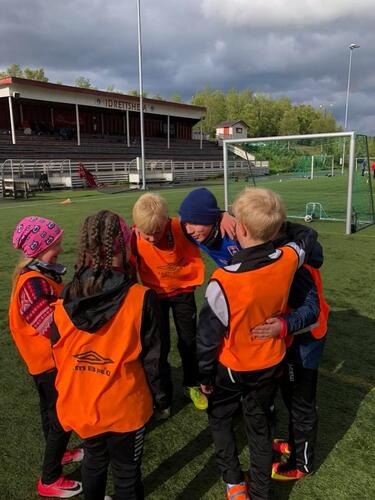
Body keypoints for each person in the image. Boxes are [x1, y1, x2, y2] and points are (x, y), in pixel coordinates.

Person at [196, 188, 307, 500]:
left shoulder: (223, 279)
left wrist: (204, 376)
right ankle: (260, 491)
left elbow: (207, 337)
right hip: (270, 362)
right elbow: (304, 241)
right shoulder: (288, 259)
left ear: (239, 229)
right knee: (260, 428)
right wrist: (279, 224)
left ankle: (234, 484)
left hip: (232, 368)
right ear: (276, 229)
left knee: (220, 421)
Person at [51, 210, 169, 500]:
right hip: (124, 406)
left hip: (82, 402)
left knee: (94, 461)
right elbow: (154, 359)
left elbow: (58, 349)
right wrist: (161, 398)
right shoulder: (140, 297)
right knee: (127, 474)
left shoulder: (66, 295)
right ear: (125, 245)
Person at [9, 216, 83, 498]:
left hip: (43, 363)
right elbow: (50, 326)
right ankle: (49, 478)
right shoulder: (33, 283)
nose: (60, 250)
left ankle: (60, 455)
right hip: (49, 363)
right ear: (38, 249)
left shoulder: (38, 276)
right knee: (61, 418)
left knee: (49, 413)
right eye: (55, 245)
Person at [252, 229, 329, 481]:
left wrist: (283, 325)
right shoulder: (283, 249)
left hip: (307, 339)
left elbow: (312, 310)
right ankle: (294, 444)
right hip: (293, 336)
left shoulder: (293, 264)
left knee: (301, 402)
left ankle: (302, 463)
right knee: (289, 393)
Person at [132, 193, 207, 413]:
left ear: (166, 221)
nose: (153, 239)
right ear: (137, 226)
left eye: (157, 232)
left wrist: (224, 216)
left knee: (189, 339)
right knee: (158, 345)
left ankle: (192, 383)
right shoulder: (132, 237)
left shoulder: (181, 227)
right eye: (147, 234)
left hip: (183, 291)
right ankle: (161, 395)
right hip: (154, 295)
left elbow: (207, 220)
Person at [178, 187, 239, 267]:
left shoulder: (235, 235)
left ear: (210, 220)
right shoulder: (190, 234)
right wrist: (223, 214)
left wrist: (225, 215)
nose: (189, 231)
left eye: (194, 223)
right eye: (185, 223)